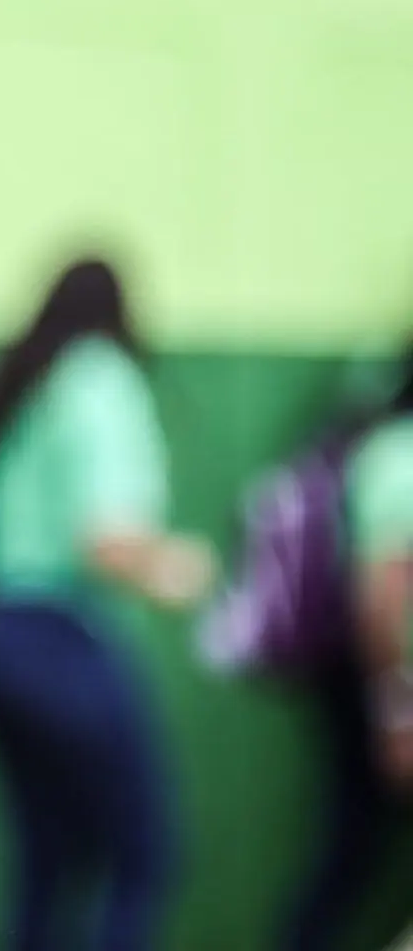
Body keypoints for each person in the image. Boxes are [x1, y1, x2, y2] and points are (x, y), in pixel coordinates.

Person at [0, 258, 212, 951]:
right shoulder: (98, 380)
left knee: (47, 860)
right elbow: (110, 542)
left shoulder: (24, 385)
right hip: (57, 639)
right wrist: (180, 571)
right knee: (144, 854)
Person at [291, 368, 413, 951]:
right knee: (350, 852)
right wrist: (396, 708)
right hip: (380, 679)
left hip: (372, 678)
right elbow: (379, 596)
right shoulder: (401, 458)